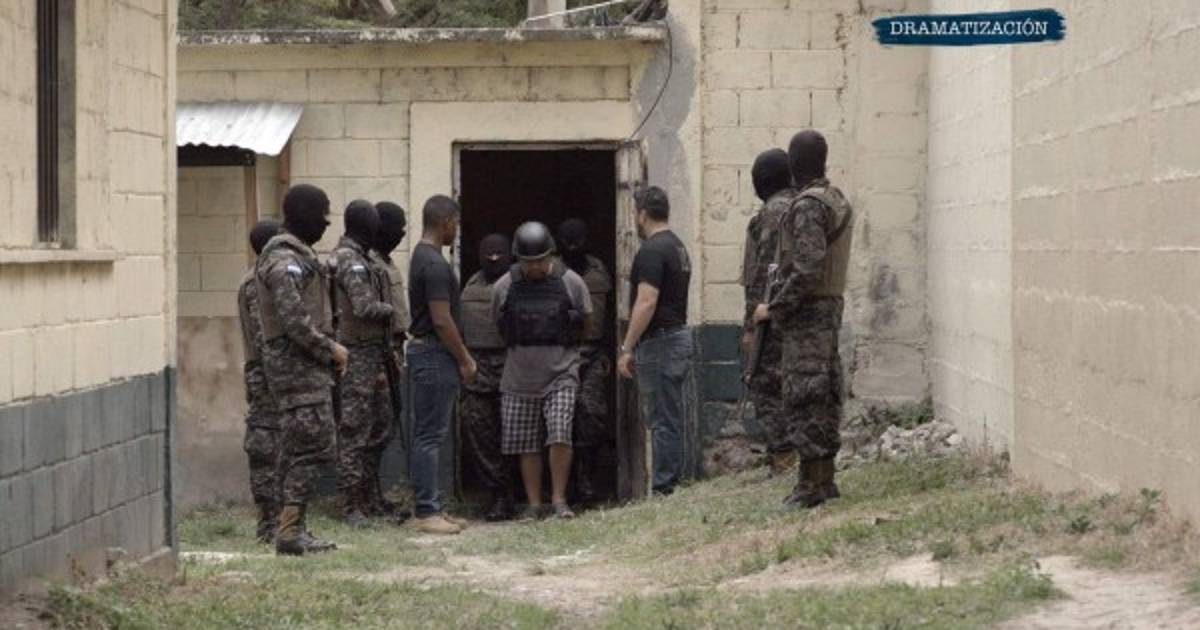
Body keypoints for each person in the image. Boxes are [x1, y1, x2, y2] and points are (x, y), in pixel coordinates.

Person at [753, 129, 854, 509]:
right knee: (824, 393)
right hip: (828, 310)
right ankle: (824, 478)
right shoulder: (835, 198)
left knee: (804, 395)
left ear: (794, 164)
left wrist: (774, 307)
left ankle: (810, 484)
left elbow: (807, 266)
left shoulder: (808, 205)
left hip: (807, 315)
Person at [255, 184, 348, 555]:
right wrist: (330, 349)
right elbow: (293, 320)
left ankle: (291, 527)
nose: (327, 222)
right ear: (306, 214)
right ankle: (289, 531)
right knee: (313, 445)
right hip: (297, 369)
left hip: (304, 368)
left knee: (298, 447)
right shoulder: (283, 260)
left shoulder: (298, 255)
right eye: (323, 213)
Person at [491, 221, 592, 520]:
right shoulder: (504, 286)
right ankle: (534, 504)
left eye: (539, 260)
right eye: (527, 261)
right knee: (527, 443)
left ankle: (559, 500)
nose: (534, 267)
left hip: (561, 372)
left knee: (560, 433)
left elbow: (586, 321)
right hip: (519, 376)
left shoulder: (571, 282)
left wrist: (571, 354)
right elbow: (499, 324)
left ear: (551, 255)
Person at [617, 186, 693, 496]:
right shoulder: (678, 246)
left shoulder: (651, 250)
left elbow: (646, 301)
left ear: (642, 215)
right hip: (676, 337)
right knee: (670, 415)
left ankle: (664, 488)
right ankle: (670, 482)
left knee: (661, 419)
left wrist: (627, 347)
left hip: (660, 342)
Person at [406, 195, 476, 534]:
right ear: (446, 222)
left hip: (430, 354)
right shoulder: (434, 264)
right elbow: (441, 319)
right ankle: (426, 511)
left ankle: (431, 506)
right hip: (434, 355)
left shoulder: (422, 257)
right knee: (429, 435)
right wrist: (464, 358)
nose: (457, 230)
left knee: (430, 433)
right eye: (456, 223)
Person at [330, 200, 395, 527]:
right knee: (354, 432)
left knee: (379, 428)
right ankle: (350, 505)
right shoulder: (348, 260)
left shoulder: (363, 258)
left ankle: (371, 499)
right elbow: (363, 307)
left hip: (373, 355)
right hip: (355, 356)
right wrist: (393, 309)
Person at [740, 149, 799, 477]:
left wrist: (751, 325)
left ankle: (783, 461)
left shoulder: (772, 213)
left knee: (765, 386)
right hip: (800, 314)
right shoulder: (802, 206)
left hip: (772, 318)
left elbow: (763, 273)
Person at [459, 234, 517, 521]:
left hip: (514, 370)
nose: (493, 259)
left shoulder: (520, 282)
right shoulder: (470, 286)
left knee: (517, 435)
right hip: (478, 372)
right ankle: (498, 493)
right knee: (480, 434)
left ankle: (521, 491)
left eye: (499, 254)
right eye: (487, 254)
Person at [556, 218, 614, 506]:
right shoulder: (550, 270)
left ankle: (586, 481)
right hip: (557, 355)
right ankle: (560, 486)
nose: (573, 247)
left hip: (592, 353)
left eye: (577, 241)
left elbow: (610, 313)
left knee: (592, 416)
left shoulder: (598, 270)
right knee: (558, 422)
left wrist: (609, 351)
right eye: (568, 242)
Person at [236, 219, 283, 544]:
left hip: (273, 374)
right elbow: (264, 336)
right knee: (266, 448)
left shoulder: (265, 277)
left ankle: (281, 520)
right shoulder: (256, 283)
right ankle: (269, 524)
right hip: (266, 375)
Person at [367, 201, 411, 521]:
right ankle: (361, 500)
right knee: (371, 431)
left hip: (393, 351)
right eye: (398, 227)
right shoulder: (368, 264)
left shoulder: (386, 262)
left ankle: (373, 498)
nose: (402, 233)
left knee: (384, 428)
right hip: (373, 355)